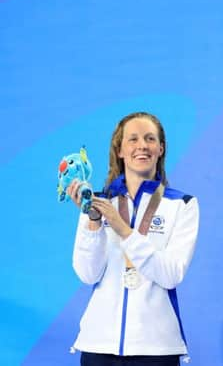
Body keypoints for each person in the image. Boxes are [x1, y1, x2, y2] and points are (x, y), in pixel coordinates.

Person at [67, 112, 199, 366]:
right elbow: (88, 274)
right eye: (133, 139)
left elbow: (171, 274)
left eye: (150, 139)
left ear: (160, 149)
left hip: (156, 349)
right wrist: (94, 222)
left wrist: (124, 230)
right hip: (98, 346)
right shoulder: (97, 202)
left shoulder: (182, 205)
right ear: (120, 150)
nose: (142, 146)